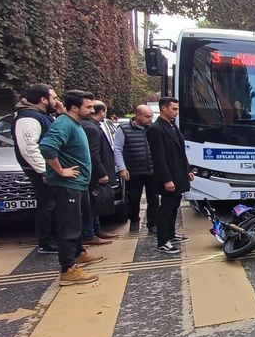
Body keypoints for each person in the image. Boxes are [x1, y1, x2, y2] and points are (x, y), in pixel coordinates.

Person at [39, 90, 103, 285]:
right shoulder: (65, 124)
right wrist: (61, 171)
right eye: (89, 106)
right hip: (68, 184)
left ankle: (78, 253)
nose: (93, 109)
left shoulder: (70, 121)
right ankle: (67, 269)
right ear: (75, 108)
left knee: (82, 219)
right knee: (69, 225)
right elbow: (47, 147)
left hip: (78, 184)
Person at [11, 84, 60, 254]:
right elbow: (29, 148)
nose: (57, 101)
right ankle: (46, 242)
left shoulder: (40, 115)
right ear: (43, 99)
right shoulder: (28, 117)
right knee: (47, 204)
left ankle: (52, 237)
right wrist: (43, 171)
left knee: (52, 204)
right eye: (54, 98)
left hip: (49, 167)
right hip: (42, 170)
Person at [147, 97, 194, 254]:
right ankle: (163, 241)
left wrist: (188, 170)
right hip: (168, 177)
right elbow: (159, 158)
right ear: (163, 108)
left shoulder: (173, 126)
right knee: (166, 209)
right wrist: (167, 179)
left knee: (175, 206)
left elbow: (181, 151)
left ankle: (171, 234)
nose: (176, 111)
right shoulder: (156, 129)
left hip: (178, 174)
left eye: (177, 108)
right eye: (174, 109)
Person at [115, 104, 158, 233]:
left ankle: (153, 224)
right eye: (147, 116)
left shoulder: (152, 129)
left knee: (154, 198)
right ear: (137, 115)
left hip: (152, 170)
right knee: (133, 199)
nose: (150, 119)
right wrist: (122, 168)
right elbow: (117, 149)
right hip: (133, 171)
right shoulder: (123, 129)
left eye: (151, 116)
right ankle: (134, 220)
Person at [81, 100, 118, 245]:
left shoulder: (93, 125)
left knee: (95, 204)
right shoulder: (91, 128)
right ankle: (90, 234)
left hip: (93, 172)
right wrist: (102, 173)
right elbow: (93, 154)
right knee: (91, 204)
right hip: (94, 174)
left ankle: (97, 230)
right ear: (102, 111)